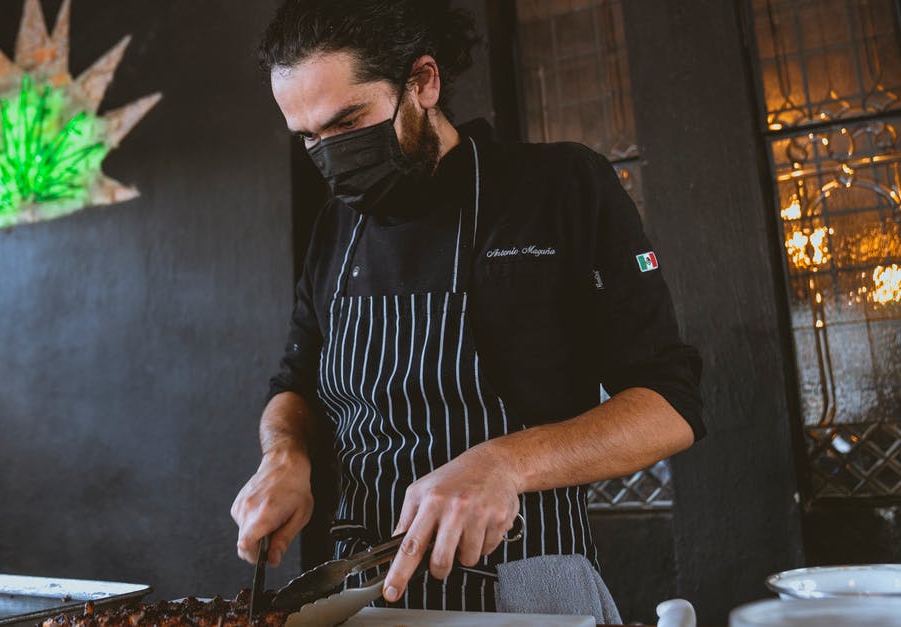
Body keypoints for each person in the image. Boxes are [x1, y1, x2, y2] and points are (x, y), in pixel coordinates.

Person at [230, 0, 704, 621]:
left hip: (530, 591)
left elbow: (669, 406)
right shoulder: (335, 228)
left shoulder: (558, 186)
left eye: (348, 122)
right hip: (367, 600)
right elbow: (294, 385)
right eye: (311, 137)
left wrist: (505, 462)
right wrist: (283, 455)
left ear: (423, 82)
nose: (330, 153)